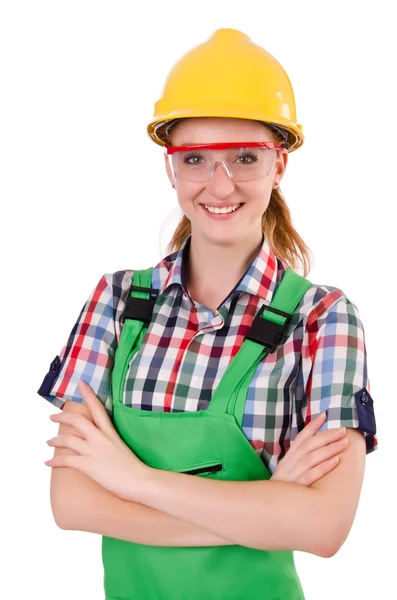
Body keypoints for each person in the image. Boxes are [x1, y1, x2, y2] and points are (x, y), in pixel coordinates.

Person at [38, 28, 378, 600]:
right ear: (169, 167)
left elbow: (323, 528)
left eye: (246, 157)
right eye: (195, 159)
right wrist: (268, 507)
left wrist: (132, 480)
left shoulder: (323, 320)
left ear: (280, 164)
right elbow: (71, 504)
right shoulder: (118, 302)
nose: (221, 184)